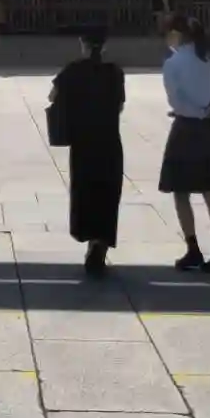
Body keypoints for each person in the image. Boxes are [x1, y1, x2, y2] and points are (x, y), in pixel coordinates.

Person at [159, 12, 210, 276]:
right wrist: (204, 111)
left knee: (181, 193)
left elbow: (176, 101)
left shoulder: (173, 63)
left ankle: (193, 249)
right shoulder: (208, 60)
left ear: (176, 35)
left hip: (186, 129)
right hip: (209, 131)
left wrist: (194, 112)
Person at [49, 26, 125, 276]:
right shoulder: (115, 72)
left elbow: (53, 96)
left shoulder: (72, 71)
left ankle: (89, 238)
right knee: (107, 194)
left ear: (82, 44)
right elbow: (120, 106)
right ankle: (100, 243)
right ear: (105, 46)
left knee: (85, 192)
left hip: (83, 142)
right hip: (109, 141)